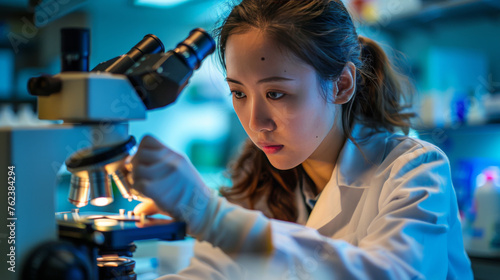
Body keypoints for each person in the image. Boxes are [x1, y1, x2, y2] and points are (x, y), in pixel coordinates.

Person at [131, 0, 473, 278]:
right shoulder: (258, 185)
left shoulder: (415, 170)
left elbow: (394, 274)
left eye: (276, 94)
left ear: (341, 85)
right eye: (238, 92)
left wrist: (213, 218)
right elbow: (210, 274)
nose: (255, 122)